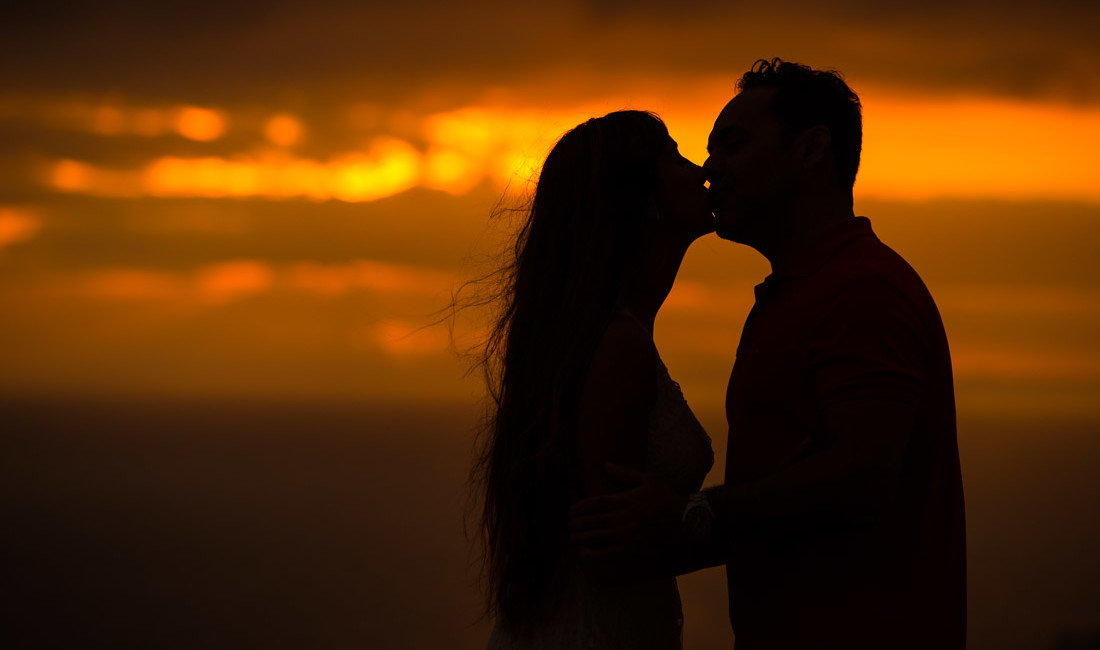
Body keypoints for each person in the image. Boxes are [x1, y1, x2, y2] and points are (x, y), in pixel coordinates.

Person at [569, 59, 966, 650]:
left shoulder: (863, 288)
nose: (711, 170)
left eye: (732, 145)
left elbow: (861, 477)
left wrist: (687, 516)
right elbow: (787, 511)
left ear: (811, 149)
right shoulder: (794, 297)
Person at [474, 110, 717, 649]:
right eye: (675, 155)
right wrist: (719, 522)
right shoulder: (619, 344)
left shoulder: (598, 332)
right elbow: (612, 549)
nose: (701, 170)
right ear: (644, 201)